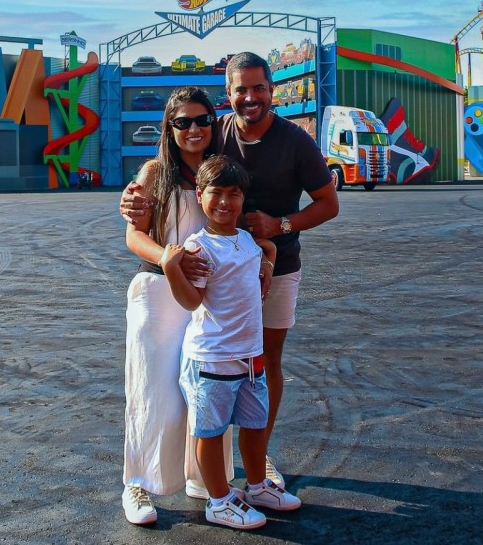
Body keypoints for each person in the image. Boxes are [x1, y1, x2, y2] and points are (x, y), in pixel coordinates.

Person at [122, 51, 339, 493]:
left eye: (259, 88)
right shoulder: (211, 137)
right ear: (229, 95)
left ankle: (249, 464)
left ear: (272, 91)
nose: (250, 97)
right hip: (200, 281)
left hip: (263, 269)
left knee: (255, 367)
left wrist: (278, 233)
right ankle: (170, 479)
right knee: (188, 380)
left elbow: (328, 203)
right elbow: (147, 202)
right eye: (241, 89)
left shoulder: (294, 141)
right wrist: (131, 202)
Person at [160, 155, 301, 530]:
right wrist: (171, 267)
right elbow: (192, 301)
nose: (225, 202)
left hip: (250, 357)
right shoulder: (199, 247)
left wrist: (269, 263)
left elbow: (266, 251)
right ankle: (219, 502)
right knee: (211, 431)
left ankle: (256, 488)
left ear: (243, 199)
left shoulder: (245, 240)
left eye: (234, 194)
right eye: (216, 193)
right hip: (213, 359)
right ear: (201, 195)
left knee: (254, 427)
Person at [120, 86, 230, 525]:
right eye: (182, 121)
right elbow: (133, 235)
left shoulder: (223, 171)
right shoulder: (153, 172)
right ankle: (138, 485)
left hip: (210, 296)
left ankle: (206, 478)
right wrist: (165, 255)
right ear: (169, 128)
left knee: (210, 389)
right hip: (158, 292)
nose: (194, 129)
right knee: (154, 389)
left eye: (202, 119)